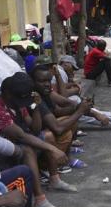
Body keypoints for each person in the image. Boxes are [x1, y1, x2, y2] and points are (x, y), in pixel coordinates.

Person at [0, 74, 70, 207]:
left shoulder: (17, 104)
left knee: (45, 138)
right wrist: (53, 149)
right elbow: (21, 136)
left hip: (15, 147)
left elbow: (34, 128)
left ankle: (54, 179)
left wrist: (36, 107)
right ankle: (40, 200)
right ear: (7, 94)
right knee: (28, 150)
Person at [30, 63, 94, 192]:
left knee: (74, 114)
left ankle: (65, 160)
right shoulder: (35, 97)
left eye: (48, 80)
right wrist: (79, 110)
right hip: (35, 142)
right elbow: (57, 127)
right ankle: (50, 171)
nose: (47, 84)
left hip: (44, 133)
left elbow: (63, 104)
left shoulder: (46, 91)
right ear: (33, 82)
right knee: (65, 123)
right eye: (42, 81)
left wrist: (79, 107)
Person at [51, 57, 111, 130]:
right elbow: (63, 94)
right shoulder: (60, 71)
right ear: (65, 63)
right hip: (57, 109)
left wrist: (73, 84)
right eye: (72, 67)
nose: (73, 70)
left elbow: (60, 88)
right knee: (84, 112)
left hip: (59, 106)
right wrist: (76, 89)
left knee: (87, 109)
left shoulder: (59, 73)